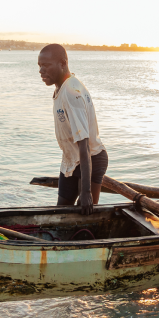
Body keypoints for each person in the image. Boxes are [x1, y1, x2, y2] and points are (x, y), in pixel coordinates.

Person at [37, 44, 107, 215]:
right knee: (61, 213)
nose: (41, 71)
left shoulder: (71, 92)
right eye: (39, 66)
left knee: (86, 216)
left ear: (63, 63)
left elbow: (84, 145)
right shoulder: (61, 88)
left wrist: (86, 191)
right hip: (71, 160)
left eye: (46, 65)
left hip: (90, 159)